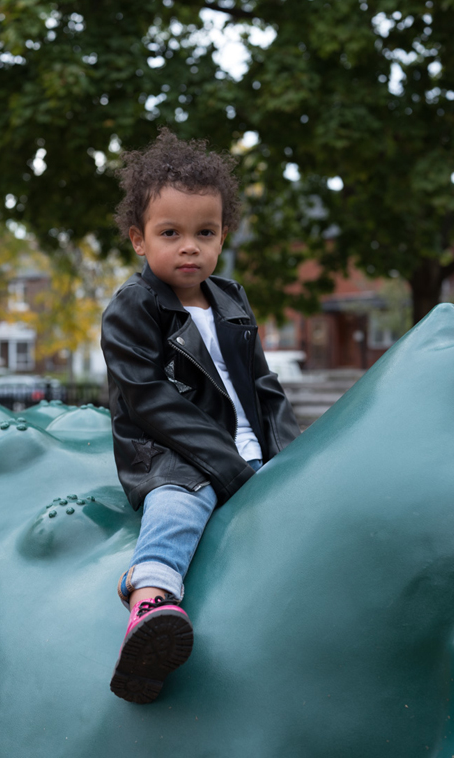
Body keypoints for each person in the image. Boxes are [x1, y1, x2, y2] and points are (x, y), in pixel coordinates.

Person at [101, 128, 300, 704]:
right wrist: (226, 466)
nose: (189, 246)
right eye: (171, 233)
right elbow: (148, 400)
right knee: (179, 505)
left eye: (204, 233)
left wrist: (290, 456)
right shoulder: (133, 307)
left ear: (222, 236)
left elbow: (265, 386)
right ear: (139, 240)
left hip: (249, 449)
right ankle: (151, 600)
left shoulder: (231, 298)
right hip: (173, 454)